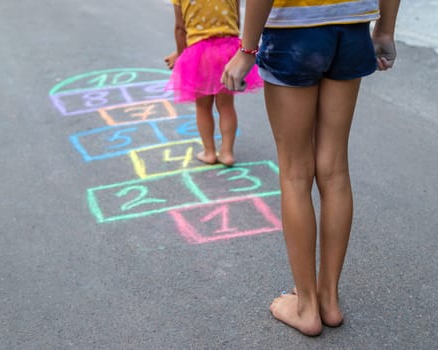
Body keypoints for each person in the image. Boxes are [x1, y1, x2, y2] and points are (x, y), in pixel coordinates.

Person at [221, 0, 400, 336]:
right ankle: (329, 300)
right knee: (334, 170)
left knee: (295, 173)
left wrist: (247, 49)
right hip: (351, 29)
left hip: (293, 32)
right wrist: (386, 29)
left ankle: (306, 307)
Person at [164, 0, 263, 166]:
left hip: (199, 53)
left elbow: (181, 29)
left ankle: (209, 152)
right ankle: (226, 152)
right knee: (226, 106)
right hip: (228, 50)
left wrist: (182, 56)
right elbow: (237, 21)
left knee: (203, 106)